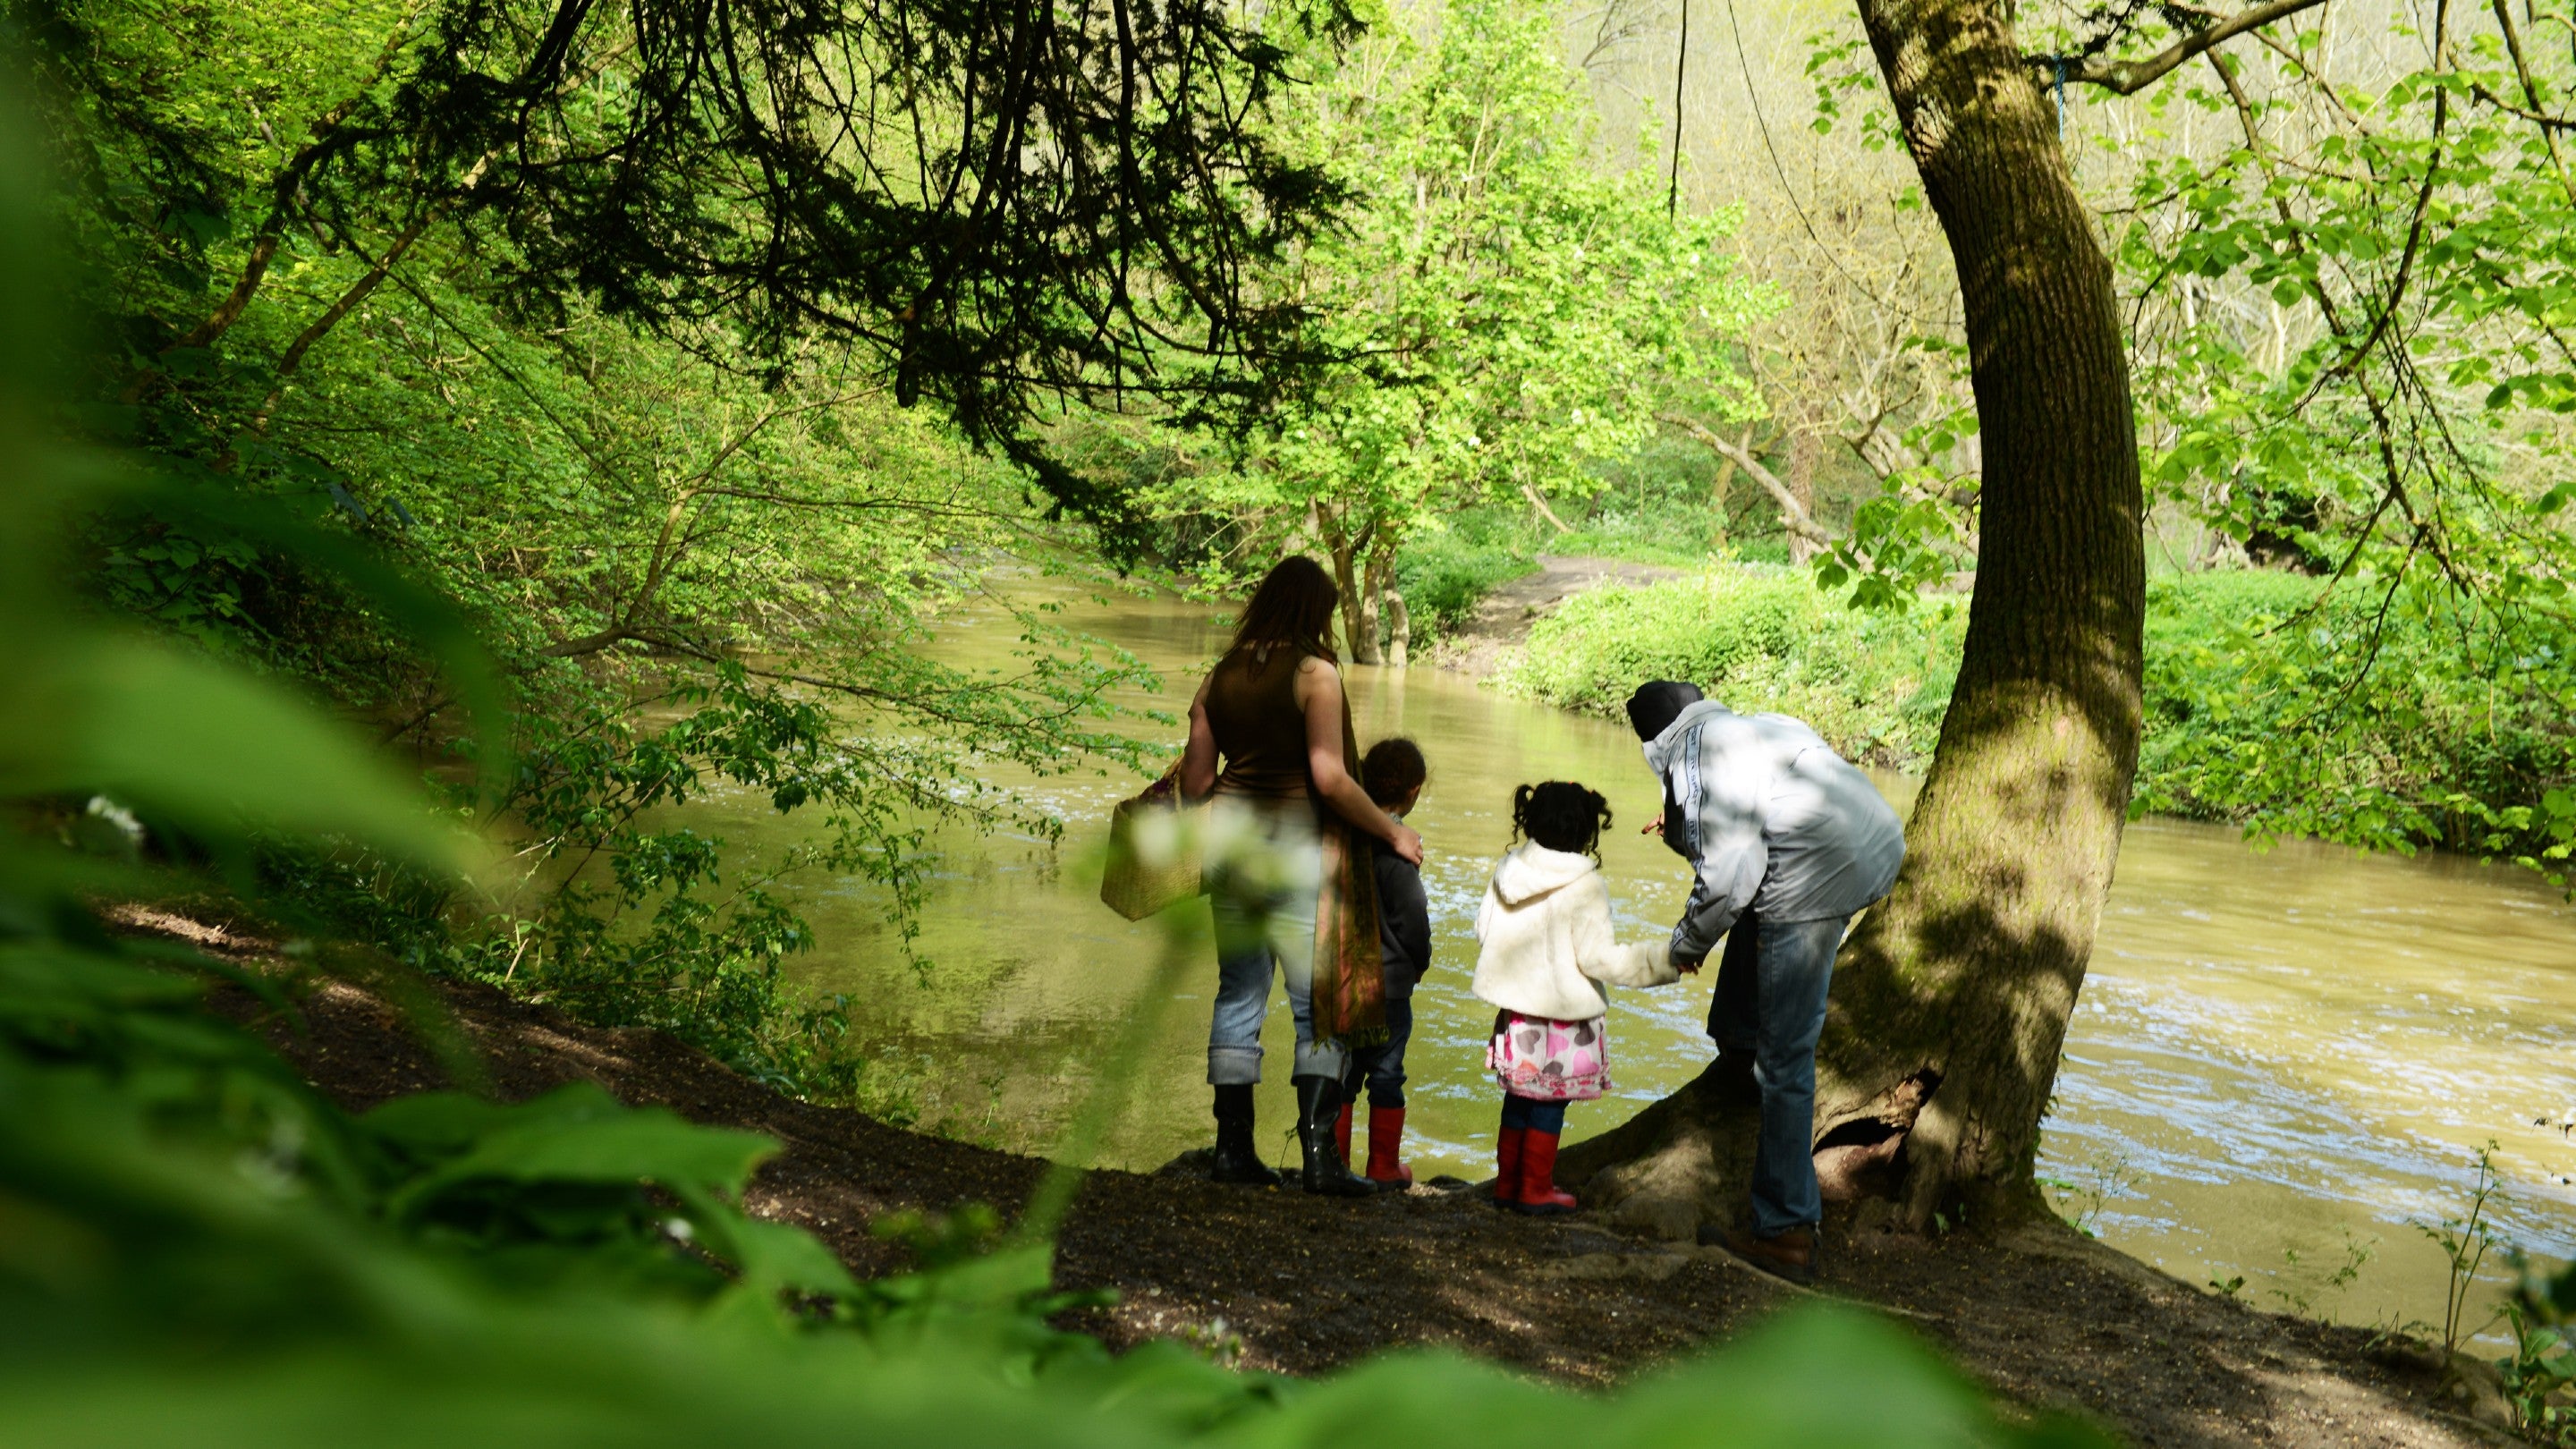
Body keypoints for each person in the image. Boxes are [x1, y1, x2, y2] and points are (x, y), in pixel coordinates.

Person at [1625, 680, 1905, 1283]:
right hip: (1875, 842)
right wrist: (1683, 824)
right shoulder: (1756, 725)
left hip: (1813, 870)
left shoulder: (1690, 752)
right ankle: (1742, 1038)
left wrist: (1683, 948)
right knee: (1759, 938)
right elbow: (1738, 830)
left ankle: (1784, 1230)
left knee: (1786, 1063)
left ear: (1654, 743)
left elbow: (1729, 874)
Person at [1179, 557, 1424, 1196]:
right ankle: (1321, 1161)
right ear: (1315, 610)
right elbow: (1332, 778)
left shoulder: (1219, 676)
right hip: (1300, 856)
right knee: (1319, 1012)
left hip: (1231, 853)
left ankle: (1232, 1151)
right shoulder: (1316, 674)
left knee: (1238, 998)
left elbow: (1197, 782)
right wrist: (1393, 830)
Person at [1470, 781, 1682, 1216]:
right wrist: (1666, 961)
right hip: (1563, 1021)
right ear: (1587, 831)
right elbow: (1600, 959)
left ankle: (1508, 1184)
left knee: (1518, 1098)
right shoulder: (1586, 886)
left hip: (1518, 1017)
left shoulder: (1507, 871)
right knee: (1549, 1105)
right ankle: (1535, 1188)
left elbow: (1483, 932)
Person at [1333, 737, 1431, 1190]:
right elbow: (1413, 921)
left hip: (1347, 979)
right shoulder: (1401, 850)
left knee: (1345, 1074)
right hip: (1391, 987)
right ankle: (1383, 1165)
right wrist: (1419, 962)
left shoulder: (1347, 837)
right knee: (1387, 1074)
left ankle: (1333, 1160)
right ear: (1413, 792)